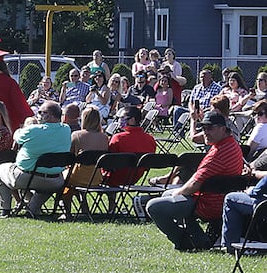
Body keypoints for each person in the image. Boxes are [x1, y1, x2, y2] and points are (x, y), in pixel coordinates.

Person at [146, 111, 245, 250]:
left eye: (210, 128)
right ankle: (199, 239)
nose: (205, 132)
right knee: (168, 195)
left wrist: (177, 193)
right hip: (221, 201)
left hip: (209, 205)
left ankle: (183, 241)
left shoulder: (219, 153)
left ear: (223, 129)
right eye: (203, 128)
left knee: (154, 206)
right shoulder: (232, 145)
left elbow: (194, 184)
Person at [0, 101, 72, 216]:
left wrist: (24, 128)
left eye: (41, 112)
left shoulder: (33, 130)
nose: (37, 115)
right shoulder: (66, 129)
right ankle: (32, 209)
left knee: (0, 169)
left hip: (26, 177)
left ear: (49, 115)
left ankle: (5, 210)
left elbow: (16, 136)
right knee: (45, 185)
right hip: (55, 180)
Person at [102, 104, 157, 186]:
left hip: (114, 177)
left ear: (132, 120)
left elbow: (108, 163)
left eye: (122, 118)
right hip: (134, 177)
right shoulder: (150, 139)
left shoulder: (118, 138)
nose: (119, 121)